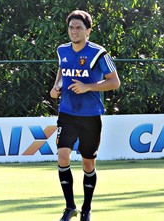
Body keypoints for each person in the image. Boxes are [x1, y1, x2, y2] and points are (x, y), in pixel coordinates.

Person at [50, 10, 120, 221]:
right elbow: (62, 70)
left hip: (90, 115)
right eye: (71, 27)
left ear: (88, 31)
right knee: (63, 157)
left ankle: (86, 209)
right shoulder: (62, 50)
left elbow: (114, 82)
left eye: (79, 27)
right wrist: (56, 87)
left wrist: (88, 87)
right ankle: (69, 207)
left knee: (88, 164)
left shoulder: (99, 53)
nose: (74, 31)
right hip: (67, 113)